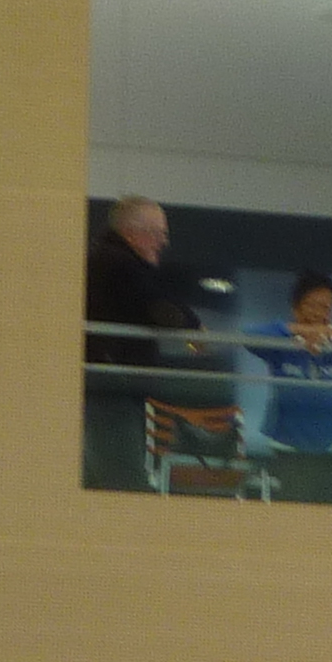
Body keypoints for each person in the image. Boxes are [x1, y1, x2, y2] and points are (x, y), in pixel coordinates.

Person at [82, 197, 193, 489]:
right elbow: (160, 309)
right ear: (133, 234)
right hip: (111, 387)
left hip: (107, 384)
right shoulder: (122, 266)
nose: (164, 242)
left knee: (100, 477)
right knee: (124, 482)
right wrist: (193, 325)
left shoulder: (104, 260)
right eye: (159, 234)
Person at [241, 270, 332, 507]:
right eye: (312, 305)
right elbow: (249, 336)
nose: (319, 313)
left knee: (330, 514)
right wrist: (299, 331)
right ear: (296, 308)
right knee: (291, 513)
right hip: (287, 443)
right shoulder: (281, 343)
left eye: (326, 307)